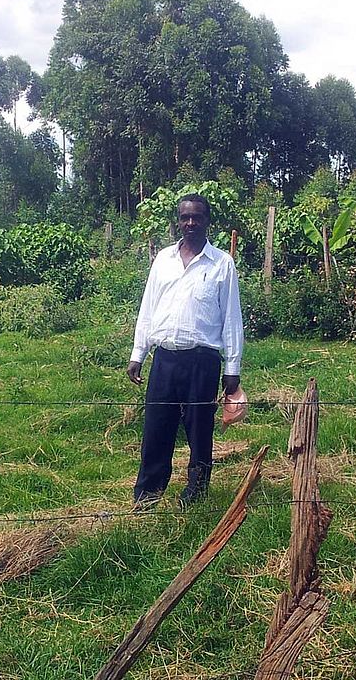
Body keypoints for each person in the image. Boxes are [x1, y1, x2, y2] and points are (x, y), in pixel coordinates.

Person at [127, 193, 244, 510]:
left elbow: (232, 317)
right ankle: (147, 495)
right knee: (156, 428)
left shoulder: (222, 264)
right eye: (184, 217)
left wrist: (232, 369)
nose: (190, 223)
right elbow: (148, 310)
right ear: (177, 222)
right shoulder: (162, 261)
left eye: (197, 217)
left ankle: (195, 494)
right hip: (164, 359)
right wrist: (139, 354)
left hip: (202, 362)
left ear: (207, 221)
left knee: (199, 429)